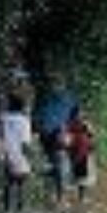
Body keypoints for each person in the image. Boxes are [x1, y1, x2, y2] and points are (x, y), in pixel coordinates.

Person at [34, 75, 77, 205]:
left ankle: (58, 195)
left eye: (57, 84)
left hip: (57, 134)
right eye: (54, 84)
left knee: (58, 164)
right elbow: (38, 115)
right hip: (50, 134)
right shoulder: (47, 98)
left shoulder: (67, 98)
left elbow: (74, 116)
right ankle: (55, 195)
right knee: (55, 164)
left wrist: (67, 129)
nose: (55, 87)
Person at [0, 94, 31, 213]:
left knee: (8, 186)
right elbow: (25, 144)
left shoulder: (4, 118)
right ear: (22, 106)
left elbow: (0, 135)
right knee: (21, 187)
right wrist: (29, 158)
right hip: (20, 157)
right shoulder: (24, 121)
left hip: (7, 155)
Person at [66, 106, 95, 203]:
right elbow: (67, 138)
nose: (80, 115)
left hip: (83, 152)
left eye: (81, 113)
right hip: (75, 151)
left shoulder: (84, 124)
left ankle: (81, 197)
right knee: (77, 176)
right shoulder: (70, 124)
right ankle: (77, 197)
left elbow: (92, 135)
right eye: (79, 113)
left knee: (82, 177)